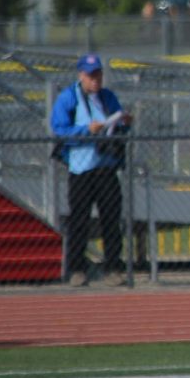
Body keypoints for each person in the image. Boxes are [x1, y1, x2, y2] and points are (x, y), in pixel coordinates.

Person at [50, 53, 132, 287]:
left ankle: (113, 268)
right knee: (79, 220)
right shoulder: (68, 98)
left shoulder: (108, 98)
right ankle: (76, 269)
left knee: (111, 220)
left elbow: (117, 125)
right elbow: (59, 129)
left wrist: (124, 124)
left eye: (98, 74)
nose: (95, 79)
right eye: (90, 75)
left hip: (106, 168)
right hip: (81, 170)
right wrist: (87, 130)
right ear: (81, 75)